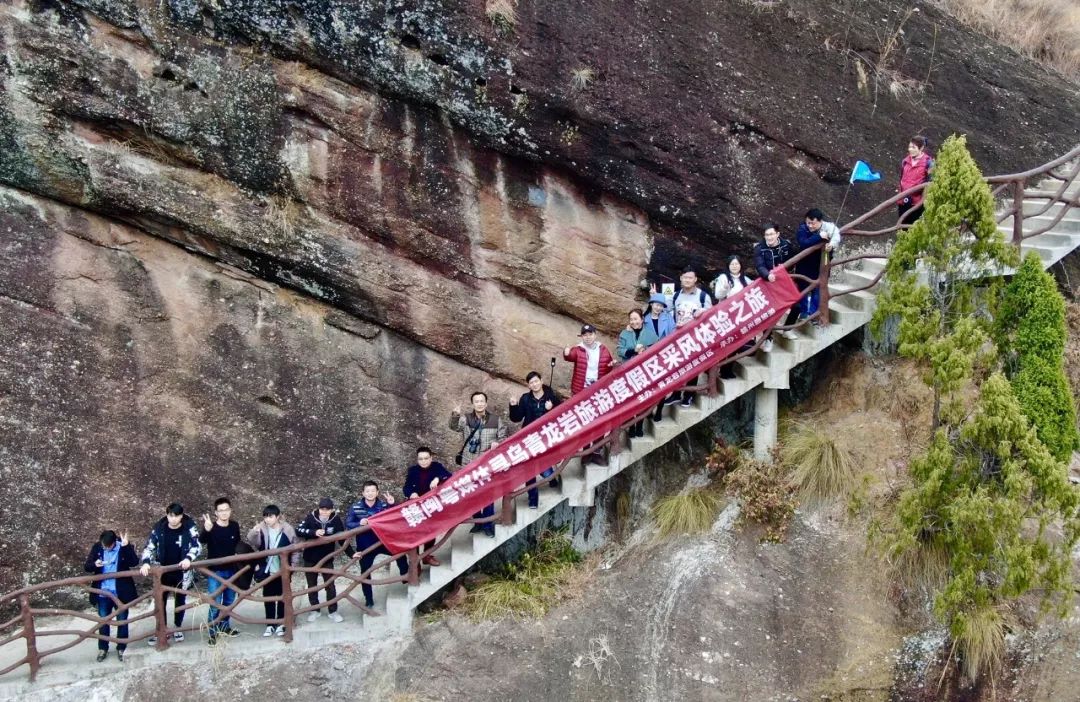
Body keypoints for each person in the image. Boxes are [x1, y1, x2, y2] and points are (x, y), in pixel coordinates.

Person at [139, 502, 200, 645]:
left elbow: (196, 545)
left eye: (176, 516)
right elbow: (149, 546)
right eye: (170, 516)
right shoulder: (160, 528)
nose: (173, 519)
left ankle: (178, 627)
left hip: (182, 571)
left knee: (180, 600)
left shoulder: (189, 528)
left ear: (181, 516)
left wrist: (188, 558)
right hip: (163, 571)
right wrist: (146, 562)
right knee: (160, 601)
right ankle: (162, 629)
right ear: (167, 515)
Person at [449, 392, 508, 537]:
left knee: (488, 493)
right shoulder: (466, 419)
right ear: (473, 404)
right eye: (476, 401)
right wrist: (455, 414)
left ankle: (488, 524)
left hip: (488, 463)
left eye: (482, 401)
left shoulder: (495, 420)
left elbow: (504, 438)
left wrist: (497, 443)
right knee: (473, 493)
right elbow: (453, 427)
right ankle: (477, 522)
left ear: (486, 403)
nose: (480, 403)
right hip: (470, 461)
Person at [346, 481, 409, 609]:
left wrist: (392, 504)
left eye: (373, 491)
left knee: (400, 553)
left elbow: (395, 516)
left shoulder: (384, 504)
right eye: (367, 491)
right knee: (365, 573)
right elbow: (348, 523)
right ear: (363, 493)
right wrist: (360, 523)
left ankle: (405, 575)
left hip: (382, 541)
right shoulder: (356, 507)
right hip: (365, 545)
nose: (370, 493)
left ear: (377, 492)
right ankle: (368, 600)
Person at [662, 269, 714, 407]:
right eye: (685, 277)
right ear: (681, 278)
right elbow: (665, 310)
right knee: (677, 367)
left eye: (690, 278)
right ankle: (676, 393)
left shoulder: (703, 297)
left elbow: (712, 315)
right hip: (678, 338)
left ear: (695, 279)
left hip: (696, 338)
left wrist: (703, 312)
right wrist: (655, 296)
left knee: (693, 366)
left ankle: (688, 396)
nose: (687, 280)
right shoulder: (675, 296)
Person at [508, 372, 563, 504]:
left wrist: (551, 409)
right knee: (530, 466)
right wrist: (513, 406)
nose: (534, 384)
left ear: (541, 381)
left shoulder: (551, 397)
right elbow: (516, 418)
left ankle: (550, 477)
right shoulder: (526, 398)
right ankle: (532, 497)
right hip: (530, 437)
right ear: (528, 385)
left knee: (545, 467)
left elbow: (562, 412)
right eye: (531, 382)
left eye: (536, 381)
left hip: (547, 436)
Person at [84, 530, 138, 662]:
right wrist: (94, 564)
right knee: (103, 621)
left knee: (122, 620)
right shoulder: (98, 547)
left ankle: (121, 647)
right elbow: (87, 566)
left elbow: (134, 562)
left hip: (121, 592)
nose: (105, 548)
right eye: (104, 546)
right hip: (103, 591)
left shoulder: (123, 547)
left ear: (114, 543)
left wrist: (126, 547)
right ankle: (103, 648)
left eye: (108, 546)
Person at [246, 505, 300, 638]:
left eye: (270, 516)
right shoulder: (262, 528)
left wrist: (293, 565)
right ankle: (270, 624)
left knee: (283, 596)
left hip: (283, 568)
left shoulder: (287, 529)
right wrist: (254, 531)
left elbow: (295, 548)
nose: (267, 519)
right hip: (267, 569)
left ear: (277, 516)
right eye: (265, 516)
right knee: (268, 597)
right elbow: (253, 542)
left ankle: (281, 622)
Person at [296, 497, 346, 623]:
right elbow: (299, 530)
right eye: (322, 509)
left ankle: (333, 610)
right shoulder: (311, 517)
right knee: (312, 585)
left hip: (327, 557)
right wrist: (314, 532)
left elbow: (342, 538)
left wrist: (352, 553)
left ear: (332, 510)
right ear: (318, 509)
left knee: (330, 585)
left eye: (327, 509)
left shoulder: (336, 520)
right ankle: (315, 609)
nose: (324, 512)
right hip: (310, 558)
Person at [200, 497, 242, 645]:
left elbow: (238, 545)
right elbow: (202, 540)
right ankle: (212, 632)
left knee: (229, 600)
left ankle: (224, 627)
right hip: (215, 572)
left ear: (230, 510)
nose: (224, 513)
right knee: (215, 602)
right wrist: (206, 529)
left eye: (226, 510)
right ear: (216, 513)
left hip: (231, 569)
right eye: (221, 511)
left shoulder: (234, 526)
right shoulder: (211, 527)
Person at [754, 223, 801, 352]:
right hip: (768, 283)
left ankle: (788, 329)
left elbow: (794, 258)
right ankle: (768, 338)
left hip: (784, 281)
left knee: (797, 305)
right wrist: (767, 275)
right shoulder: (760, 248)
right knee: (767, 312)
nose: (769, 237)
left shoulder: (786, 245)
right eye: (767, 235)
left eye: (771, 234)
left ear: (777, 234)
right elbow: (759, 265)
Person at [403, 449, 453, 562]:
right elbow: (406, 487)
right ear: (417, 460)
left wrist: (437, 478)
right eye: (420, 459)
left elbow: (448, 476)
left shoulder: (437, 467)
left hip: (431, 505)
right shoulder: (413, 470)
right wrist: (411, 493)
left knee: (431, 532)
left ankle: (426, 556)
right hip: (416, 505)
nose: (423, 461)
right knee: (414, 534)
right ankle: (415, 563)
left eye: (426, 458)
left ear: (431, 458)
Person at [617, 309, 660, 437]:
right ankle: (631, 426)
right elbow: (620, 350)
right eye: (631, 319)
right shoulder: (624, 334)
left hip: (644, 372)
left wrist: (645, 350)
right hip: (628, 371)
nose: (634, 322)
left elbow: (656, 351)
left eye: (636, 319)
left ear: (642, 319)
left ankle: (640, 426)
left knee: (642, 400)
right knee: (630, 401)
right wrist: (633, 350)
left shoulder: (650, 335)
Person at [795, 208, 841, 325]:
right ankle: (803, 313)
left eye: (813, 223)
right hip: (805, 263)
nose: (810, 226)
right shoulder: (802, 228)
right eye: (808, 222)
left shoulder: (829, 227)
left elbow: (836, 236)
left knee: (818, 289)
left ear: (820, 221)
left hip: (821, 264)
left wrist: (831, 244)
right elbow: (803, 243)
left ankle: (813, 314)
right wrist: (819, 236)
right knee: (803, 288)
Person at [712, 256, 752, 379]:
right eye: (732, 264)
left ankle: (728, 368)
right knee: (726, 343)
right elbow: (718, 295)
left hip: (740, 317)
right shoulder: (723, 278)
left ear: (741, 265)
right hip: (726, 317)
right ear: (728, 266)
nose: (735, 266)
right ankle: (722, 370)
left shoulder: (746, 280)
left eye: (737, 264)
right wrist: (725, 288)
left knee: (736, 342)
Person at [642, 294, 675, 423]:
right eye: (656, 304)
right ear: (651, 304)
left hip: (664, 355)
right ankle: (649, 409)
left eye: (661, 306)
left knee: (662, 385)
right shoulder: (644, 319)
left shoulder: (667, 317)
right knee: (650, 386)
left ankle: (659, 410)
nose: (658, 307)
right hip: (649, 357)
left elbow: (673, 333)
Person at [563, 324, 615, 396]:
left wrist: (611, 365)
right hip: (580, 387)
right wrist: (567, 354)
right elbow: (570, 356)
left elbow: (608, 366)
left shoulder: (603, 349)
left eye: (590, 334)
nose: (588, 337)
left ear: (595, 335)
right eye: (585, 335)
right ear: (581, 337)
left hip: (598, 386)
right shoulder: (578, 349)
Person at [897, 135, 934, 224]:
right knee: (902, 226)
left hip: (916, 204)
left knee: (913, 227)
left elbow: (930, 183)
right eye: (909, 147)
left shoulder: (928, 163)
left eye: (913, 147)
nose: (910, 149)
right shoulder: (905, 161)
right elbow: (901, 178)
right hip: (903, 201)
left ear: (921, 148)